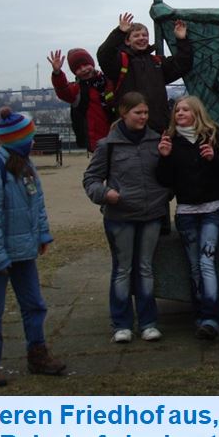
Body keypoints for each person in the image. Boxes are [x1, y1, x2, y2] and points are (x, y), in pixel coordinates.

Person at [0, 108, 66, 387]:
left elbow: (37, 205)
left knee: (34, 305)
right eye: (30, 137)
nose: (33, 141)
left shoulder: (27, 167)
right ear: (18, 140)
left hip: (23, 252)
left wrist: (42, 235)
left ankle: (37, 354)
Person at [83, 91, 170, 343]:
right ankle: (121, 323)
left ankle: (148, 322)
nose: (143, 117)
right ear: (124, 113)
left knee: (145, 269)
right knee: (123, 269)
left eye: (145, 113)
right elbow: (90, 180)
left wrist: (163, 194)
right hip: (120, 216)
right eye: (138, 113)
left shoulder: (156, 141)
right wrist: (105, 193)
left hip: (151, 214)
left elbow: (166, 175)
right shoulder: (107, 146)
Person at [155, 96, 219, 340]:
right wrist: (164, 158)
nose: (179, 113)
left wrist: (213, 159)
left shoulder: (214, 136)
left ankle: (211, 316)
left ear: (197, 113)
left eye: (185, 109)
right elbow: (165, 182)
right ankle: (200, 315)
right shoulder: (171, 141)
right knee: (194, 266)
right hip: (187, 211)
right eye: (177, 110)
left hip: (213, 208)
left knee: (205, 261)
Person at [97, 12, 193, 133]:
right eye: (136, 35)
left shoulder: (157, 62)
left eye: (145, 35)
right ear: (127, 41)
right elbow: (104, 55)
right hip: (129, 129)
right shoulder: (120, 62)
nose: (142, 38)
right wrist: (119, 32)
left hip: (158, 127)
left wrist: (182, 39)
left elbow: (183, 64)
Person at [48, 48, 113, 153]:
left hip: (116, 134)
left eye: (85, 65)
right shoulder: (77, 90)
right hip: (97, 140)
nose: (83, 69)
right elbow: (63, 90)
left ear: (92, 63)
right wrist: (57, 73)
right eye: (78, 68)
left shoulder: (108, 80)